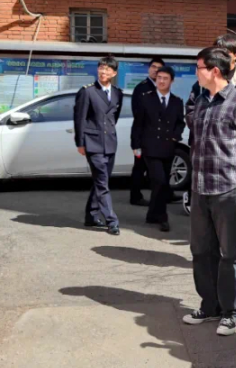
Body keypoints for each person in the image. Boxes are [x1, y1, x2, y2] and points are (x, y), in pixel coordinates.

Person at [183, 47, 236, 337]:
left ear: (214, 70)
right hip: (200, 187)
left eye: (199, 67)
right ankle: (210, 305)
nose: (196, 72)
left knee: (231, 254)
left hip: (229, 188)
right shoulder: (200, 101)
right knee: (201, 251)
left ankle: (232, 311)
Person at [131, 66, 185, 232]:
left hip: (168, 148)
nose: (161, 81)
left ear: (171, 81)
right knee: (159, 181)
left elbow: (180, 123)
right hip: (150, 147)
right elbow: (138, 123)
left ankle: (152, 214)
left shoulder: (177, 101)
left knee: (161, 184)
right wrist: (135, 145)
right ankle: (162, 217)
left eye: (165, 78)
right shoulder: (146, 98)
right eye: (159, 78)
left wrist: (175, 136)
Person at [74, 55, 123, 236]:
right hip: (93, 143)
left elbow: (114, 118)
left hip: (110, 142)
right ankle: (112, 221)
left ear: (114, 73)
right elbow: (80, 118)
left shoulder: (117, 93)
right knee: (102, 183)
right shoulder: (87, 92)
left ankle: (91, 215)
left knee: (101, 180)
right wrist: (80, 142)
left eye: (107, 69)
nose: (103, 71)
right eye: (101, 68)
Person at [130, 57, 165, 206]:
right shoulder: (142, 88)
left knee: (161, 167)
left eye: (159, 68)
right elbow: (138, 114)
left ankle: (165, 194)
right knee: (140, 166)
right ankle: (135, 196)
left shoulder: (162, 87)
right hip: (144, 135)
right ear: (149, 69)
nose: (156, 70)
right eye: (153, 67)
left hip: (159, 135)